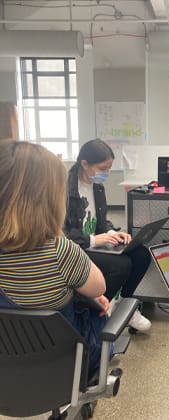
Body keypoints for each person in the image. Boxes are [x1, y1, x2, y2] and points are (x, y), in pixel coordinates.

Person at [0, 139, 110, 376]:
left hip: (8, 369)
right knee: (98, 310)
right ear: (48, 201)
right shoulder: (62, 252)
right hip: (64, 365)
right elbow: (99, 287)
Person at [64, 139, 151, 331]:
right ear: (84, 163)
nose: (106, 173)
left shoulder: (97, 186)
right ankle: (97, 313)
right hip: (77, 248)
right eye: (103, 168)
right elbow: (63, 235)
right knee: (122, 265)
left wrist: (112, 232)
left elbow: (100, 221)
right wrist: (94, 239)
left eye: (109, 168)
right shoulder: (65, 191)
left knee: (142, 254)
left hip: (94, 242)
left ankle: (124, 304)